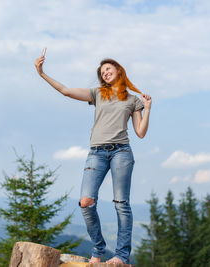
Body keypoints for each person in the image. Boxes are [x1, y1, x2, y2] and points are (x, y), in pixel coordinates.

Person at [34, 53, 151, 264]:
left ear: (119, 70)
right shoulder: (97, 94)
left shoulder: (133, 100)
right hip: (96, 153)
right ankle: (99, 248)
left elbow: (140, 132)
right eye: (102, 71)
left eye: (108, 69)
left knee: (121, 204)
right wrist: (42, 73)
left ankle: (121, 256)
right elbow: (66, 91)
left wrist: (148, 108)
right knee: (86, 202)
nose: (105, 72)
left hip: (121, 152)